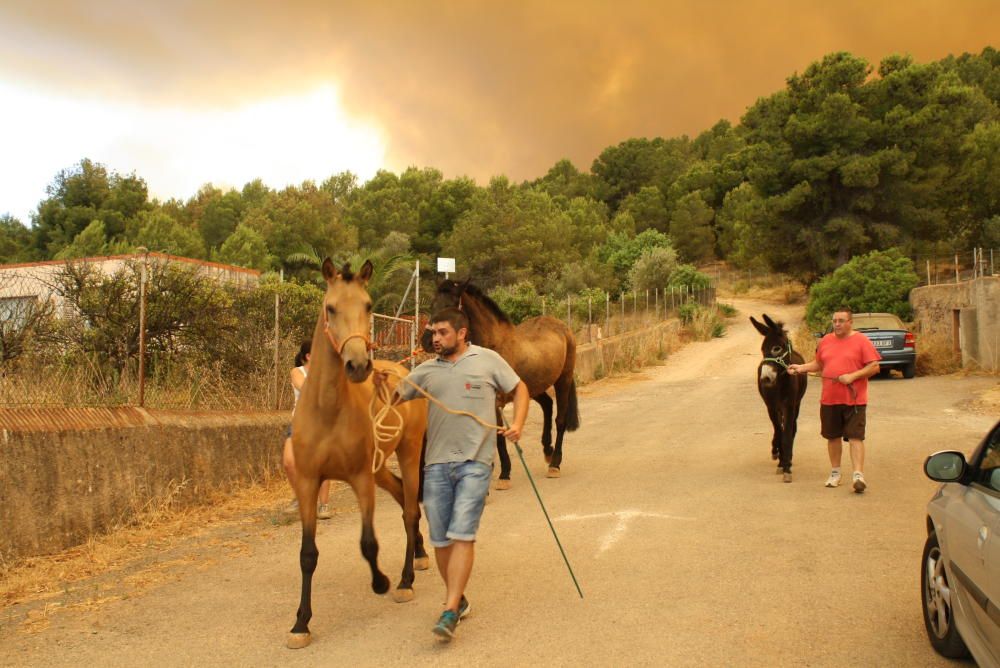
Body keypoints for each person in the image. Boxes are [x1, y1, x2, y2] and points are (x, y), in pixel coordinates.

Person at [373, 307, 529, 642]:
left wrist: (517, 424)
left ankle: (449, 606)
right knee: (440, 539)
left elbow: (520, 389)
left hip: (475, 463)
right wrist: (379, 385)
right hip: (437, 466)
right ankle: (459, 598)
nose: (435, 338)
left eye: (442, 332)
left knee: (462, 534)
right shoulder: (425, 371)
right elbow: (392, 401)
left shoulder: (487, 360)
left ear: (461, 333)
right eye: (432, 332)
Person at [788, 307, 881, 493]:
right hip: (829, 399)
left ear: (850, 322)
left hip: (854, 400)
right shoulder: (825, 341)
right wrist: (800, 368)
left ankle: (858, 476)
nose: (837, 324)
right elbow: (819, 364)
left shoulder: (861, 341)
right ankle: (835, 473)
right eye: (834, 321)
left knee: (855, 437)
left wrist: (853, 376)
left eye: (841, 321)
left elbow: (874, 366)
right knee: (832, 437)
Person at [283, 340, 332, 518]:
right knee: (289, 462)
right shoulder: (297, 372)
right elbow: (304, 388)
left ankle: (323, 505)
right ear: (309, 356)